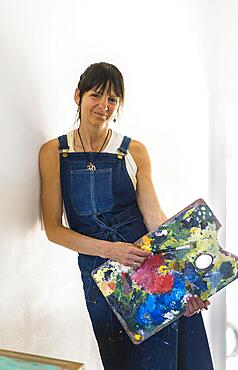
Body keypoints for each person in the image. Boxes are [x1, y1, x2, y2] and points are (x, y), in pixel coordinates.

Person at [39, 62, 214, 370]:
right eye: (96, 95)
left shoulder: (134, 151)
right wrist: (111, 251)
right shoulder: (53, 152)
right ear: (77, 96)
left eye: (112, 99)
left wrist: (184, 282)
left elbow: (154, 220)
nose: (103, 106)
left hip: (150, 270)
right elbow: (54, 230)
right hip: (100, 280)